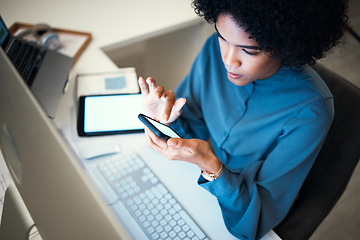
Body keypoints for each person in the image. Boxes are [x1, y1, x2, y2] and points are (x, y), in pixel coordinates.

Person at [138, 0, 349, 239]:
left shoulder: (311, 111)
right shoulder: (211, 51)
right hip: (201, 185)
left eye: (249, 50)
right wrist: (165, 120)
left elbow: (251, 226)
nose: (229, 60)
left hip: (242, 204)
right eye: (222, 37)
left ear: (284, 45)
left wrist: (211, 167)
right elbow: (191, 128)